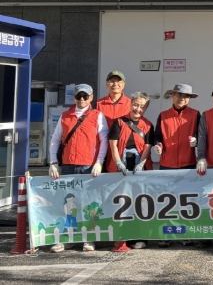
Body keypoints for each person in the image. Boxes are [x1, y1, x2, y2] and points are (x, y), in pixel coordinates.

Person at [48, 83, 108, 253]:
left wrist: (99, 162)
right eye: (79, 96)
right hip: (68, 165)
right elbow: (55, 140)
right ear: (74, 97)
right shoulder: (65, 116)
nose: (82, 99)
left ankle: (89, 238)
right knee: (67, 203)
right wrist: (53, 162)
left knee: (88, 202)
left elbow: (104, 140)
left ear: (91, 97)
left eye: (85, 96)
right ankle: (67, 239)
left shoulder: (97, 115)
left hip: (88, 166)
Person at [153, 83, 200, 248]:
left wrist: (196, 140)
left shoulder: (195, 114)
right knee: (167, 201)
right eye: (179, 95)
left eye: (186, 96)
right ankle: (166, 234)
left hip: (188, 163)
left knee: (186, 201)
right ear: (172, 95)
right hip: (167, 164)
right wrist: (158, 145)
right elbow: (157, 136)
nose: (182, 98)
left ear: (189, 99)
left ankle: (186, 233)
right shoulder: (163, 115)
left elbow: (201, 135)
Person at [107, 91, 154, 252]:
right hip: (120, 168)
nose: (138, 109)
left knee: (140, 202)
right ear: (130, 104)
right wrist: (117, 162)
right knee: (121, 202)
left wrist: (142, 164)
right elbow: (113, 145)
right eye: (135, 105)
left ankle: (140, 237)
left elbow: (148, 147)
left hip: (139, 169)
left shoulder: (148, 125)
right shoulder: (119, 122)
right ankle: (121, 237)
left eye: (142, 106)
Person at [96, 71, 131, 170]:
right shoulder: (99, 104)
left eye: (118, 81)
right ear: (107, 84)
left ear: (123, 84)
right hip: (103, 146)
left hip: (122, 146)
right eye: (112, 81)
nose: (115, 84)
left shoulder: (130, 104)